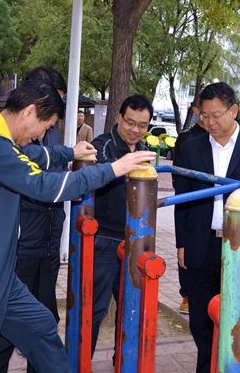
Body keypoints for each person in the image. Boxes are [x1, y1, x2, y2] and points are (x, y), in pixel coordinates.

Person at [0, 79, 155, 372]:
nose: (41, 135)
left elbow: (30, 156)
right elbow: (44, 186)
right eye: (45, 127)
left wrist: (69, 153)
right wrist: (114, 169)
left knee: (41, 327)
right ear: (29, 112)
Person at [173, 82, 240, 373]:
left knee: (239, 316)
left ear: (233, 110)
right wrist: (181, 244)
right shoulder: (191, 148)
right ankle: (207, 366)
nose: (210, 122)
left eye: (216, 115)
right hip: (201, 244)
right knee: (200, 319)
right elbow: (182, 200)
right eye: (204, 116)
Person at [0, 66, 72, 372]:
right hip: (19, 247)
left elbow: (56, 171)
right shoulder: (4, 136)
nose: (49, 125)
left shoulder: (52, 129)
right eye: (53, 101)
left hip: (48, 244)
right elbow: (40, 183)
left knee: (44, 322)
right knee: (3, 331)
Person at [90, 94, 153, 356]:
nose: (135, 129)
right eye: (130, 122)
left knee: (132, 309)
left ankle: (123, 361)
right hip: (105, 240)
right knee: (94, 308)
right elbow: (101, 171)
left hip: (135, 241)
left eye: (142, 125)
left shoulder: (145, 150)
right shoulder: (102, 145)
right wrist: (123, 167)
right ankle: (81, 362)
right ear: (119, 118)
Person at [172, 102, 208, 315]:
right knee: (185, 248)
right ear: (197, 111)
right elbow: (178, 172)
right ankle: (186, 294)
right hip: (190, 198)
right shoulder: (187, 138)